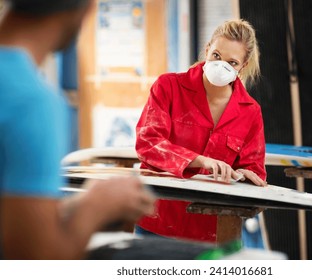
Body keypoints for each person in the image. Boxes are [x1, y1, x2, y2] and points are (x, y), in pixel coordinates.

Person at [0, 0, 155, 259]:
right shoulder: (30, 101)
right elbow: (38, 261)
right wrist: (97, 205)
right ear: (82, 10)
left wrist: (78, 205)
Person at [135, 19, 267, 242]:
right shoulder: (168, 87)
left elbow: (255, 169)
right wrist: (199, 161)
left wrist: (244, 176)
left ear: (242, 67)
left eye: (232, 62)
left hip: (213, 231)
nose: (221, 65)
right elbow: (148, 143)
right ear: (207, 50)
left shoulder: (250, 111)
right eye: (216, 55)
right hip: (157, 221)